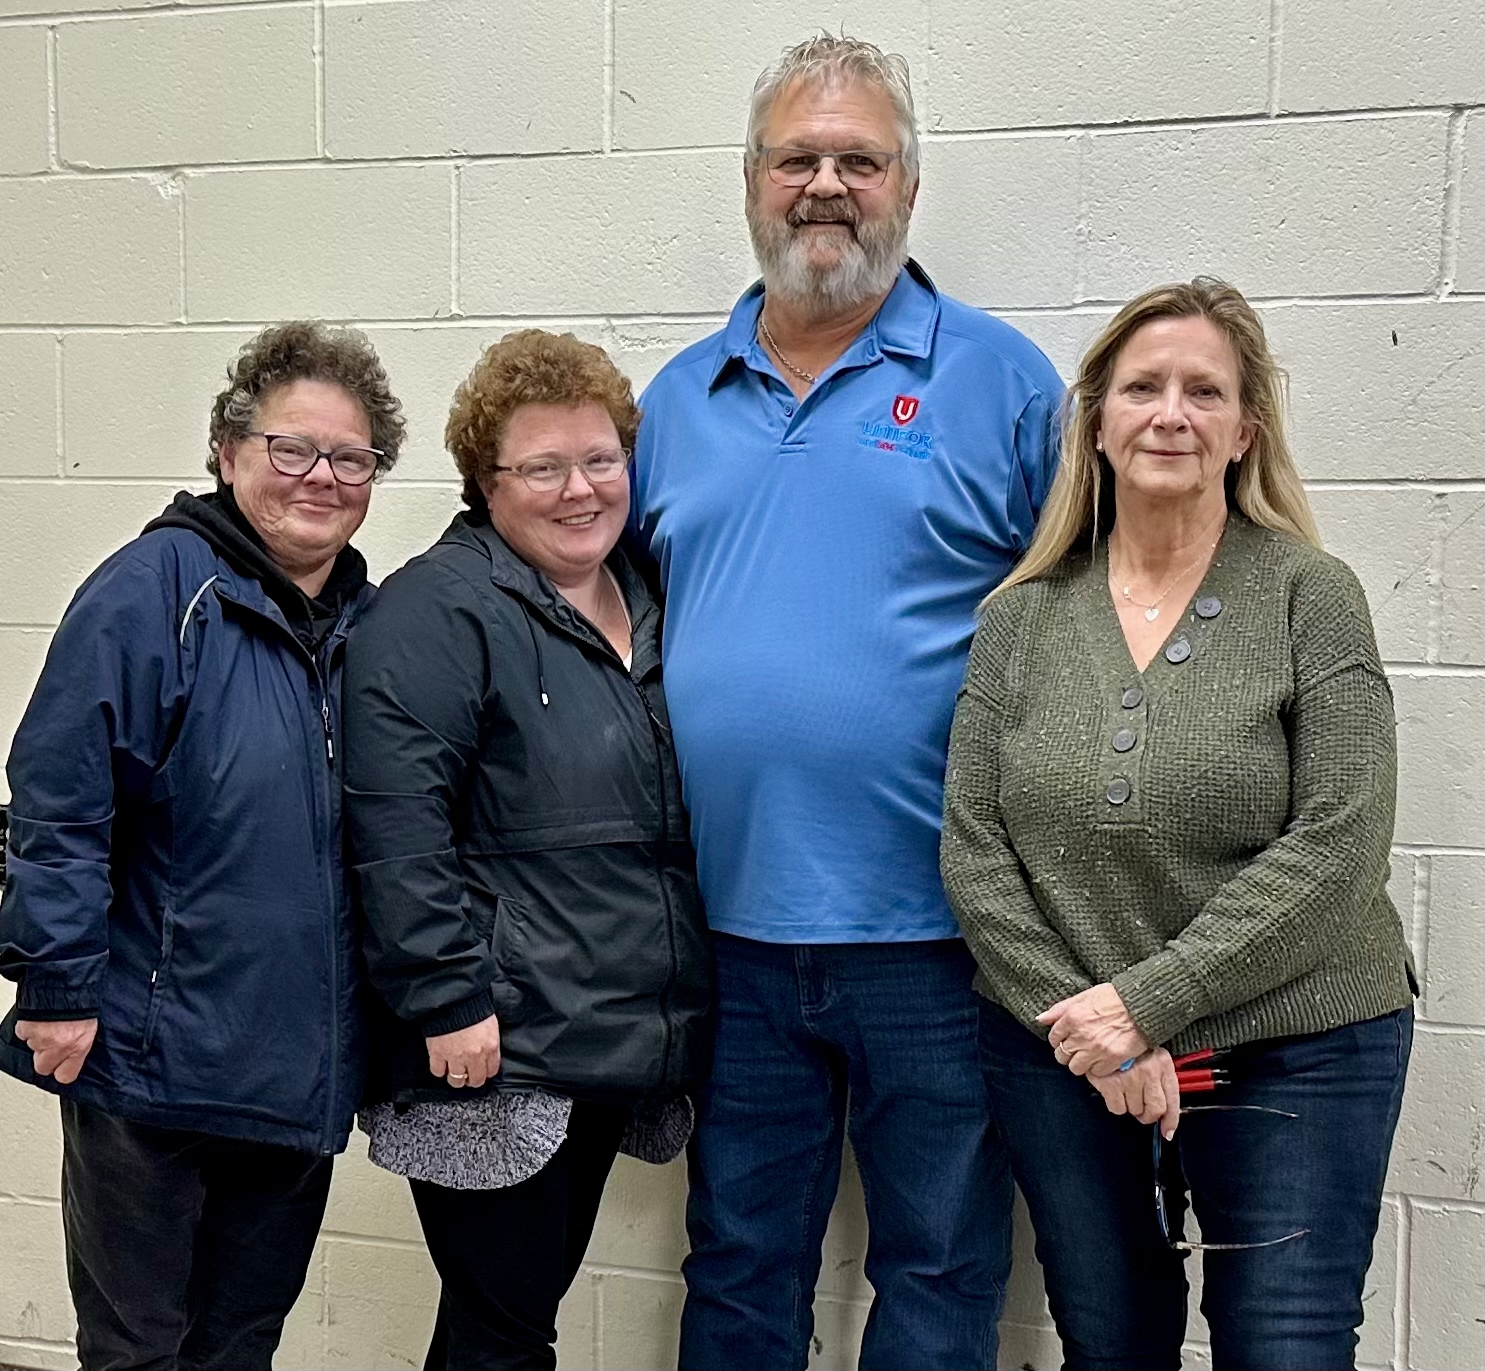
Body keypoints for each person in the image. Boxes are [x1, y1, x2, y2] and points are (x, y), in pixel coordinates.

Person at [630, 32, 1063, 1371]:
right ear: (750, 183)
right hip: (731, 936)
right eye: (795, 158)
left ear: (908, 188)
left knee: (937, 1271)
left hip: (941, 937)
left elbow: (1086, 630)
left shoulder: (1004, 383)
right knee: (742, 1264)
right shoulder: (671, 403)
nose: (825, 184)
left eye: (858, 159)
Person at [941, 277, 1416, 1370]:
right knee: (1112, 1343)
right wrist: (1092, 1027)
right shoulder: (1019, 618)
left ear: (1245, 429)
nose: (1172, 413)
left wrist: (1148, 1006)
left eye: (1205, 391)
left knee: (1281, 1345)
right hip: (1066, 1050)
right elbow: (974, 850)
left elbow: (1342, 839)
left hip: (1298, 1040)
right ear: (1097, 420)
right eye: (1143, 387)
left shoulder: (1311, 594)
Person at [0, 322, 405, 1370]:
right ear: (228, 453)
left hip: (296, 1074)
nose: (321, 475)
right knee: (140, 1349)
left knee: (241, 1343)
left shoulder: (373, 625)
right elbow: (59, 794)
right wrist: (55, 983)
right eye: (290, 447)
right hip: (148, 1064)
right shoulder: (154, 590)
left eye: (349, 457)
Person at [342, 329, 712, 1371]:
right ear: (485, 481)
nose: (579, 490)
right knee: (507, 1332)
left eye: (600, 460)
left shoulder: (648, 592)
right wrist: (445, 996)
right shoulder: (436, 610)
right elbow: (393, 820)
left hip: (602, 1034)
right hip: (492, 1045)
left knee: (498, 1323)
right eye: (541, 468)